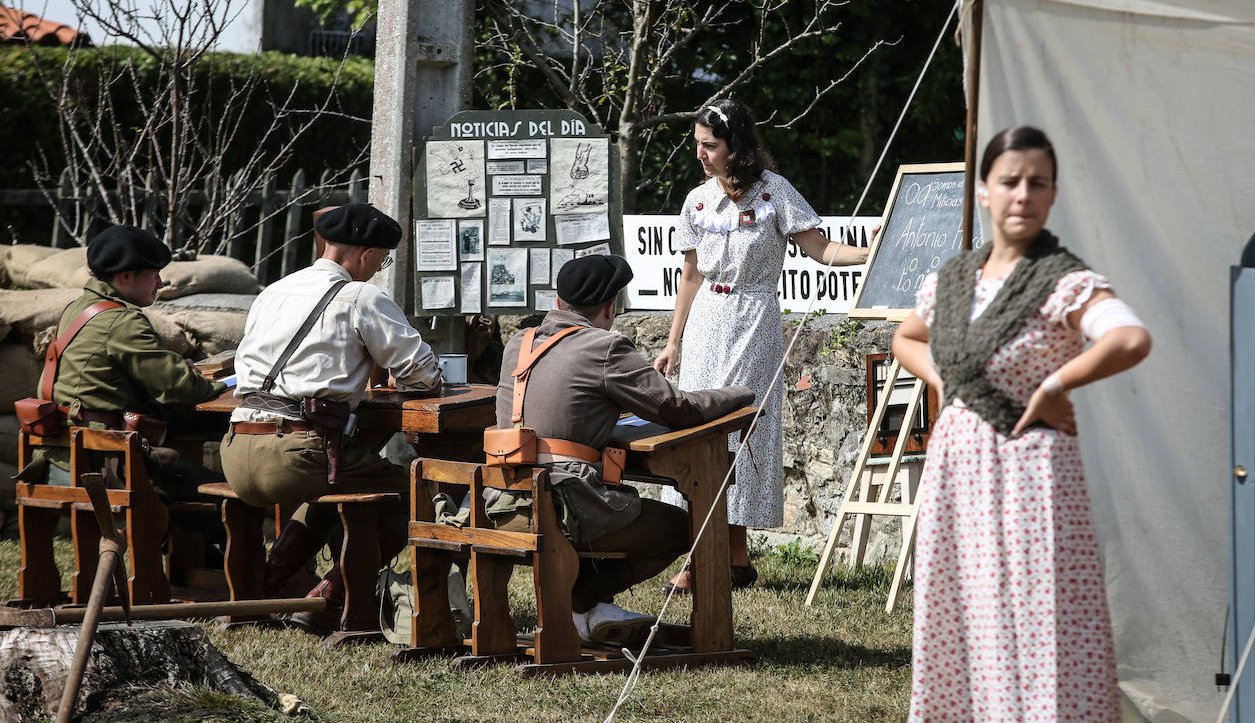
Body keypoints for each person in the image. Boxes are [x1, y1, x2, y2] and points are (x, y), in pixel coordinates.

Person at [891, 125, 1152, 721]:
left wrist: (1057, 382)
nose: (1023, 195)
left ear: (1053, 195)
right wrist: (949, 383)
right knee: (961, 612)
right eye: (1009, 182)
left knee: (1038, 617)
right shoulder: (954, 279)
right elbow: (906, 337)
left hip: (1030, 474)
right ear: (984, 190)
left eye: (1038, 183)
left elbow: (1130, 338)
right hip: (958, 466)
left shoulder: (1065, 278)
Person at [652, 98, 871, 592]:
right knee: (699, 430)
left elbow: (820, 249)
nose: (701, 154)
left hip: (754, 318)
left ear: (736, 145)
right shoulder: (697, 200)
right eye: (698, 145)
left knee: (740, 430)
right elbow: (690, 274)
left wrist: (868, 253)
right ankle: (728, 557)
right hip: (708, 317)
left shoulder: (774, 192)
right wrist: (673, 342)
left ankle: (713, 556)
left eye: (710, 145)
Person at [492, 254, 753, 646]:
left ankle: (585, 610)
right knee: (687, 529)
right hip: (563, 503)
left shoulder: (519, 343)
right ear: (611, 307)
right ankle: (583, 598)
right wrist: (742, 393)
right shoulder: (605, 347)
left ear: (559, 303)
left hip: (503, 500)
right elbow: (677, 408)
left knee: (612, 510)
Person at [220, 202, 442, 635]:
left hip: (237, 449)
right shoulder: (361, 296)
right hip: (297, 451)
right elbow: (424, 376)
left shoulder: (273, 291)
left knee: (337, 487)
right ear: (365, 254)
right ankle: (330, 599)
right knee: (416, 497)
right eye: (383, 259)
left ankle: (267, 583)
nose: (380, 269)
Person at [24, 225, 228, 536]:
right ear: (125, 277)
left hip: (63, 451)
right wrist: (218, 386)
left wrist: (170, 371)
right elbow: (182, 387)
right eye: (153, 274)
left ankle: (193, 577)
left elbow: (112, 378)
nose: (160, 282)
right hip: (99, 460)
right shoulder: (120, 321)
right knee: (229, 500)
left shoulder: (79, 308)